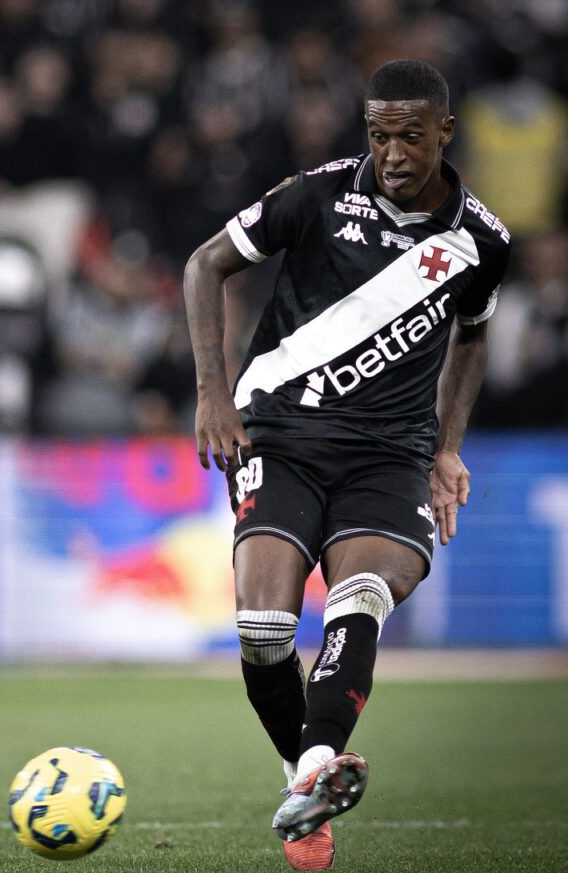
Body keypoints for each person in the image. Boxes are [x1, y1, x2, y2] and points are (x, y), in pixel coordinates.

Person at [183, 59, 509, 870]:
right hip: (279, 434)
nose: (391, 152)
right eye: (377, 133)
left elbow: (472, 335)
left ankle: (314, 777)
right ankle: (309, 774)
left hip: (390, 453)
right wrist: (212, 395)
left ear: (444, 132)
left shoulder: (482, 240)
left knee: (361, 596)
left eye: (408, 134)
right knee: (263, 631)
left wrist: (449, 446)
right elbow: (204, 264)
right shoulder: (321, 194)